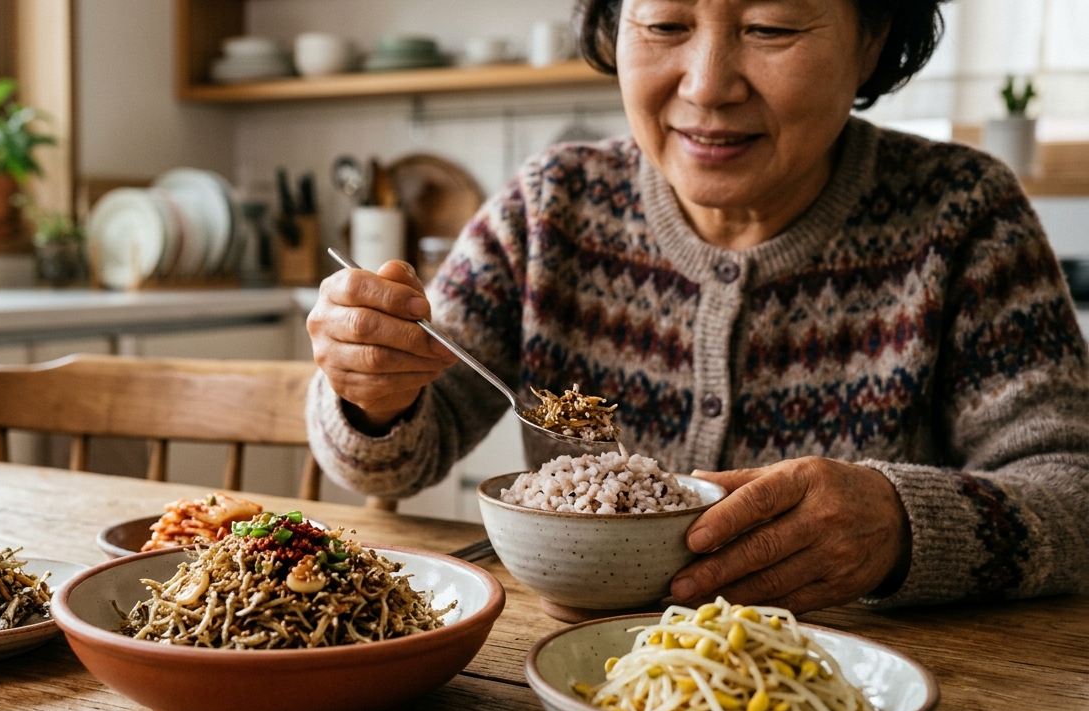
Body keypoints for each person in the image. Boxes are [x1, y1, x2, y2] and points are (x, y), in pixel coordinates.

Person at [305, 0, 1089, 613]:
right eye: (665, 24)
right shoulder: (552, 207)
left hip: (855, 683)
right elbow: (402, 447)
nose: (708, 84)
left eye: (770, 27)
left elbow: (1073, 495)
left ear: (872, 40)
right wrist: (371, 394)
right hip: (567, 674)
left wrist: (901, 525)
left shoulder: (963, 214)